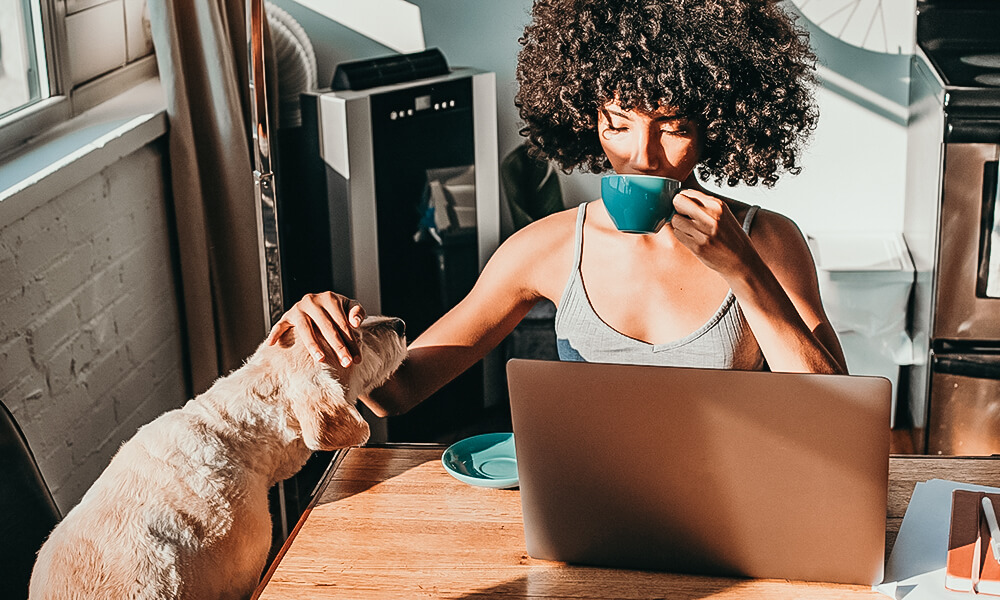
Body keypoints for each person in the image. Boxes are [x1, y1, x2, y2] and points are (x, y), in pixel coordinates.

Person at [267, 0, 847, 418]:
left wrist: (744, 272)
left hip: (734, 507)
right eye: (617, 125)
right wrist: (329, 330)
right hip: (590, 509)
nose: (639, 157)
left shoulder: (766, 240)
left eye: (671, 128)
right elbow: (397, 392)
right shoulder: (544, 249)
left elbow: (837, 415)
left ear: (719, 126)